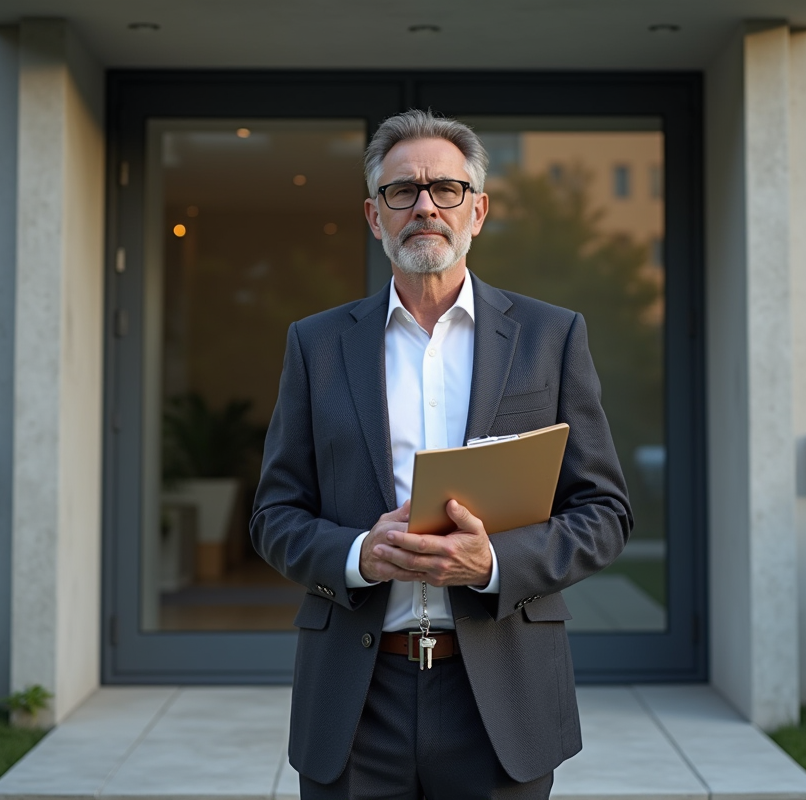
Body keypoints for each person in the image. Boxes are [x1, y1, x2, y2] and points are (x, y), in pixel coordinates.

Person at [250, 109, 632, 800]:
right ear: (374, 216)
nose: (425, 205)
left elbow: (604, 512)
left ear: (478, 210)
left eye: (446, 189)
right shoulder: (317, 346)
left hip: (500, 696)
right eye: (403, 191)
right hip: (354, 699)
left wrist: (495, 563)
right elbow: (274, 514)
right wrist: (356, 553)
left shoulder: (551, 337)